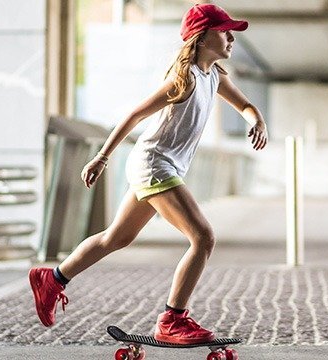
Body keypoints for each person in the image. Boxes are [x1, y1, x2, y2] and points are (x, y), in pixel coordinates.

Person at [28, 4, 267, 345]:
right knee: (203, 237)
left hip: (158, 166)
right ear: (201, 37)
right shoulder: (183, 79)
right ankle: (173, 320)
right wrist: (101, 157)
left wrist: (257, 121)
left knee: (116, 238)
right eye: (224, 31)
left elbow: (245, 106)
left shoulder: (213, 76)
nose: (231, 37)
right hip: (154, 164)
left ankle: (52, 279)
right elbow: (135, 115)